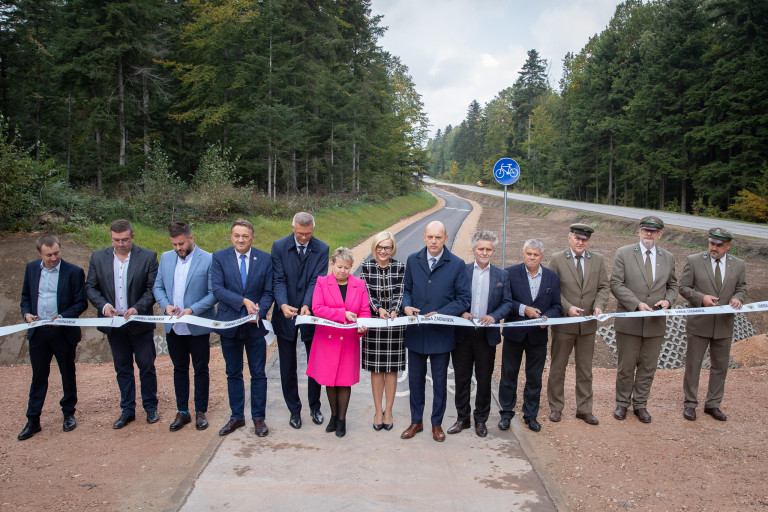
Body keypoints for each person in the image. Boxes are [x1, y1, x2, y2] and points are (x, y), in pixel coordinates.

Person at [401, 220, 471, 442]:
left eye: (438, 237)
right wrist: (406, 306)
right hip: (417, 332)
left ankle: (436, 423)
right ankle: (416, 422)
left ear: (445, 239)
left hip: (441, 334)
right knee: (415, 381)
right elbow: (407, 290)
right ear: (424, 237)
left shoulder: (457, 264)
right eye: (430, 237)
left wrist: (441, 313)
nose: (433, 241)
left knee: (440, 382)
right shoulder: (413, 260)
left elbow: (463, 299)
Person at [85, 219, 159, 429]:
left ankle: (150, 407)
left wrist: (137, 308)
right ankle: (127, 410)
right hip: (114, 324)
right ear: (111, 238)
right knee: (122, 368)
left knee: (146, 366)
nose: (120, 244)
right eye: (116, 240)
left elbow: (152, 288)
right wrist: (104, 306)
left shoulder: (148, 257)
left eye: (125, 240)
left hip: (140, 323)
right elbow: (91, 288)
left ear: (132, 237)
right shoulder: (98, 258)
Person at [18, 235, 88, 440]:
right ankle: (33, 420)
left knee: (67, 372)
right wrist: (27, 313)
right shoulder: (31, 269)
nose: (53, 257)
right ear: (40, 254)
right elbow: (25, 297)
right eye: (48, 255)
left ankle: (68, 414)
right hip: (38, 332)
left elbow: (81, 303)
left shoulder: (74, 272)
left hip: (63, 332)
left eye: (56, 253)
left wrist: (64, 316)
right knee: (39, 376)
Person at [610, 215, 678, 424]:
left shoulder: (668, 257)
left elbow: (673, 286)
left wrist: (668, 301)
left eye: (653, 231)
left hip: (655, 324)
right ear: (639, 231)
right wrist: (637, 304)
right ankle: (622, 403)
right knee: (626, 366)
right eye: (645, 230)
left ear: (660, 234)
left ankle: (640, 404)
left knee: (648, 367)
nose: (649, 234)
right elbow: (616, 284)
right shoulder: (624, 253)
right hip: (630, 321)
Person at [447, 230, 512, 438]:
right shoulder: (461, 271)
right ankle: (462, 418)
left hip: (486, 335)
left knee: (484, 379)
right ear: (473, 249)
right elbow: (452, 296)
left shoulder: (502, 275)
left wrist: (494, 316)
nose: (484, 252)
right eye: (481, 248)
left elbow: (507, 302)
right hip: (463, 334)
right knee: (462, 378)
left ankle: (480, 419)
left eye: (488, 249)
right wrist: (461, 312)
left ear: (493, 251)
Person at [211, 219, 273, 437]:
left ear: (252, 238)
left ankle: (259, 418)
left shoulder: (265, 259)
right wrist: (243, 302)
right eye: (236, 235)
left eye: (245, 236)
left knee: (258, 373)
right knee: (233, 372)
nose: (240, 239)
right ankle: (236, 416)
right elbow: (218, 289)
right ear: (231, 236)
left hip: (255, 327)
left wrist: (259, 311)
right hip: (229, 325)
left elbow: (268, 292)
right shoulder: (219, 258)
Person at [153, 222, 217, 432]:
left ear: (191, 238)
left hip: (197, 326)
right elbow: (158, 286)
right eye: (174, 244)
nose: (178, 248)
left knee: (201, 368)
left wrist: (192, 309)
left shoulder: (207, 259)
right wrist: (165, 305)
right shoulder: (166, 258)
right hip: (174, 327)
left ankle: (200, 411)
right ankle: (182, 412)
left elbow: (213, 293)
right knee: (179, 369)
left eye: (181, 243)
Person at [679, 228, 746, 422]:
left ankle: (713, 404)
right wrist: (701, 298)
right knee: (694, 365)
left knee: (720, 366)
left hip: (724, 325)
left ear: (728, 246)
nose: (713, 248)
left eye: (719, 245)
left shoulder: (739, 265)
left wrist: (737, 298)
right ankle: (690, 404)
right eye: (711, 244)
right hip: (700, 324)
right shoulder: (694, 260)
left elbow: (741, 288)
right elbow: (684, 287)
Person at [547, 224, 610, 426]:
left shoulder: (598, 260)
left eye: (584, 239)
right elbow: (552, 289)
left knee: (585, 370)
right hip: (564, 325)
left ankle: (584, 409)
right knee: (558, 368)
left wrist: (599, 307)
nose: (581, 242)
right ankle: (556, 407)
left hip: (588, 327)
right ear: (569, 238)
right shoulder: (557, 259)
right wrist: (567, 307)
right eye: (577, 238)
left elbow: (603, 287)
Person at [271, 212, 329, 429]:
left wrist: (307, 305)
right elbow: (278, 278)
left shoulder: (322, 248)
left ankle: (315, 406)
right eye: (300, 234)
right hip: (285, 311)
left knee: (314, 362)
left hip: (310, 311)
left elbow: (317, 280)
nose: (304, 238)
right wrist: (283, 304)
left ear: (313, 229)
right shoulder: (278, 246)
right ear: (292, 227)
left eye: (308, 234)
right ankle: (294, 410)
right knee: (287, 364)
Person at [498, 239, 562, 433]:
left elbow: (557, 306)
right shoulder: (509, 273)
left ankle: (530, 415)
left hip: (538, 336)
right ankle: (506, 413)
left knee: (534, 377)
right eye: (528, 254)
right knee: (509, 375)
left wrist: (547, 318)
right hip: (514, 334)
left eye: (535, 254)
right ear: (523, 254)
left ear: (542, 256)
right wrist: (523, 309)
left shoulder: (552, 277)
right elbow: (506, 301)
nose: (532, 257)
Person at [306, 247, 371, 437]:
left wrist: (362, 327)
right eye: (339, 266)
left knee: (344, 382)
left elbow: (365, 312)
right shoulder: (322, 282)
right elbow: (317, 308)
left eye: (347, 267)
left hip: (349, 340)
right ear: (332, 264)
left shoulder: (359, 285)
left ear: (352, 266)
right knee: (330, 381)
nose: (342, 271)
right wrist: (342, 314)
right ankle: (333, 415)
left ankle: (342, 419)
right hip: (327, 339)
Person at [359, 232, 406, 431]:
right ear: (374, 247)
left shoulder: (400, 267)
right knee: (376, 370)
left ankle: (389, 410)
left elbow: (402, 290)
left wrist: (395, 309)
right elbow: (366, 292)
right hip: (375, 324)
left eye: (387, 247)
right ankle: (378, 411)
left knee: (391, 370)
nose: (383, 251)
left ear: (392, 248)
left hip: (395, 324)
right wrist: (378, 309)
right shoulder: (366, 267)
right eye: (380, 247)